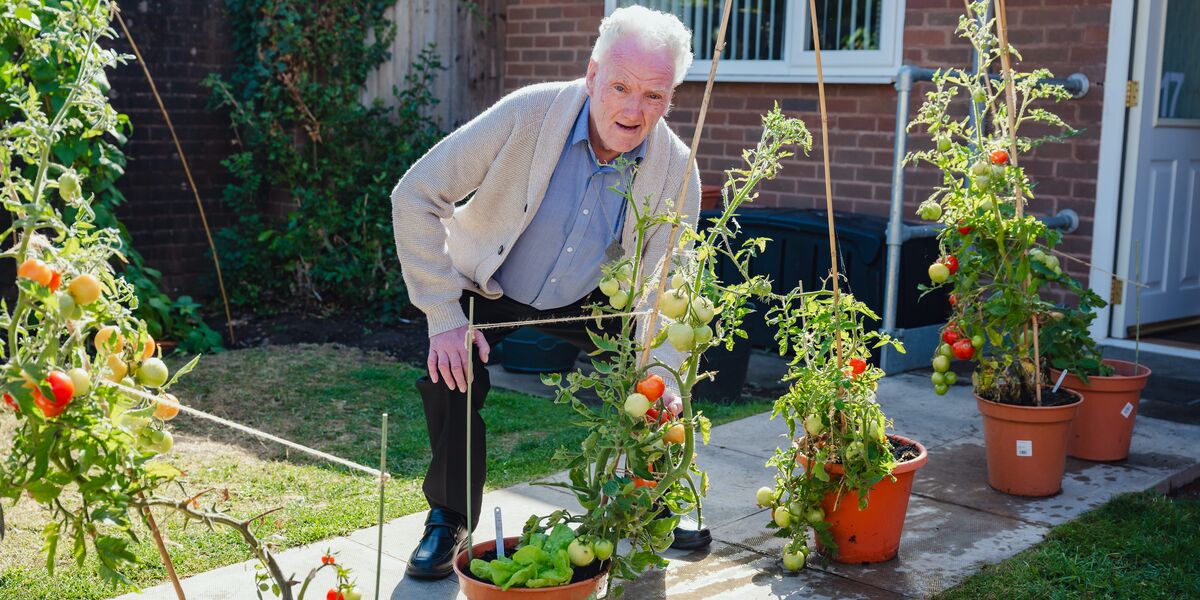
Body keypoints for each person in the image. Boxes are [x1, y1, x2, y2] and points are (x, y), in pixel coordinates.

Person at [391, 5, 706, 580]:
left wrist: (662, 376)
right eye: (619, 87)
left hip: (594, 297)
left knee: (654, 385)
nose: (634, 111)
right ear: (590, 75)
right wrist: (441, 312)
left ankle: (653, 499)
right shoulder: (529, 114)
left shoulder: (677, 172)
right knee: (452, 372)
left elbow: (670, 291)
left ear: (672, 97)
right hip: (489, 280)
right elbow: (415, 194)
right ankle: (449, 517)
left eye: (655, 96)